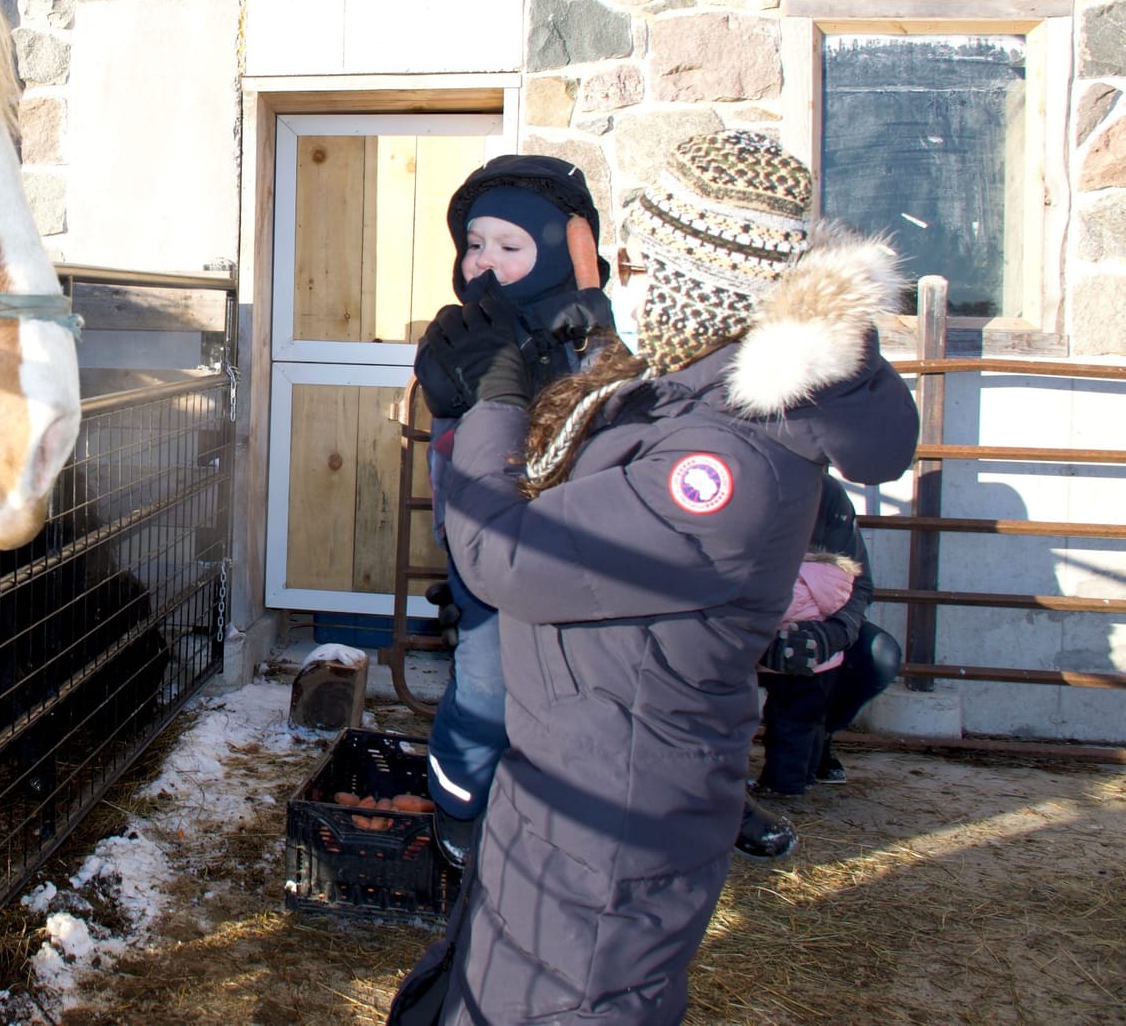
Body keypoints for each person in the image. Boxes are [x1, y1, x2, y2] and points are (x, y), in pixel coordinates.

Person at [387, 130, 919, 1026]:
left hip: (613, 824)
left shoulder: (729, 464)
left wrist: (497, 401)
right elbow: (633, 450)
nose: (621, 278)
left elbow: (506, 555)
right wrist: (595, 357)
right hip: (579, 775)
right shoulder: (719, 399)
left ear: (694, 280)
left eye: (638, 260)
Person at [413, 156, 613, 869]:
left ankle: (558, 824)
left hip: (576, 544)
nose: (485, 263)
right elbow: (448, 407)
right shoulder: (457, 331)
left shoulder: (588, 330)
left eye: (510, 245)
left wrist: (590, 338)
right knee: (489, 681)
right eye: (474, 244)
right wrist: (491, 368)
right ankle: (460, 806)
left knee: (582, 687)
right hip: (488, 542)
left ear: (562, 251)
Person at [755, 474, 902, 797]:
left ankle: (820, 737)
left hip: (806, 631)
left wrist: (831, 635)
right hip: (736, 629)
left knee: (878, 656)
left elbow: (858, 583)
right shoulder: (715, 480)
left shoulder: (825, 492)